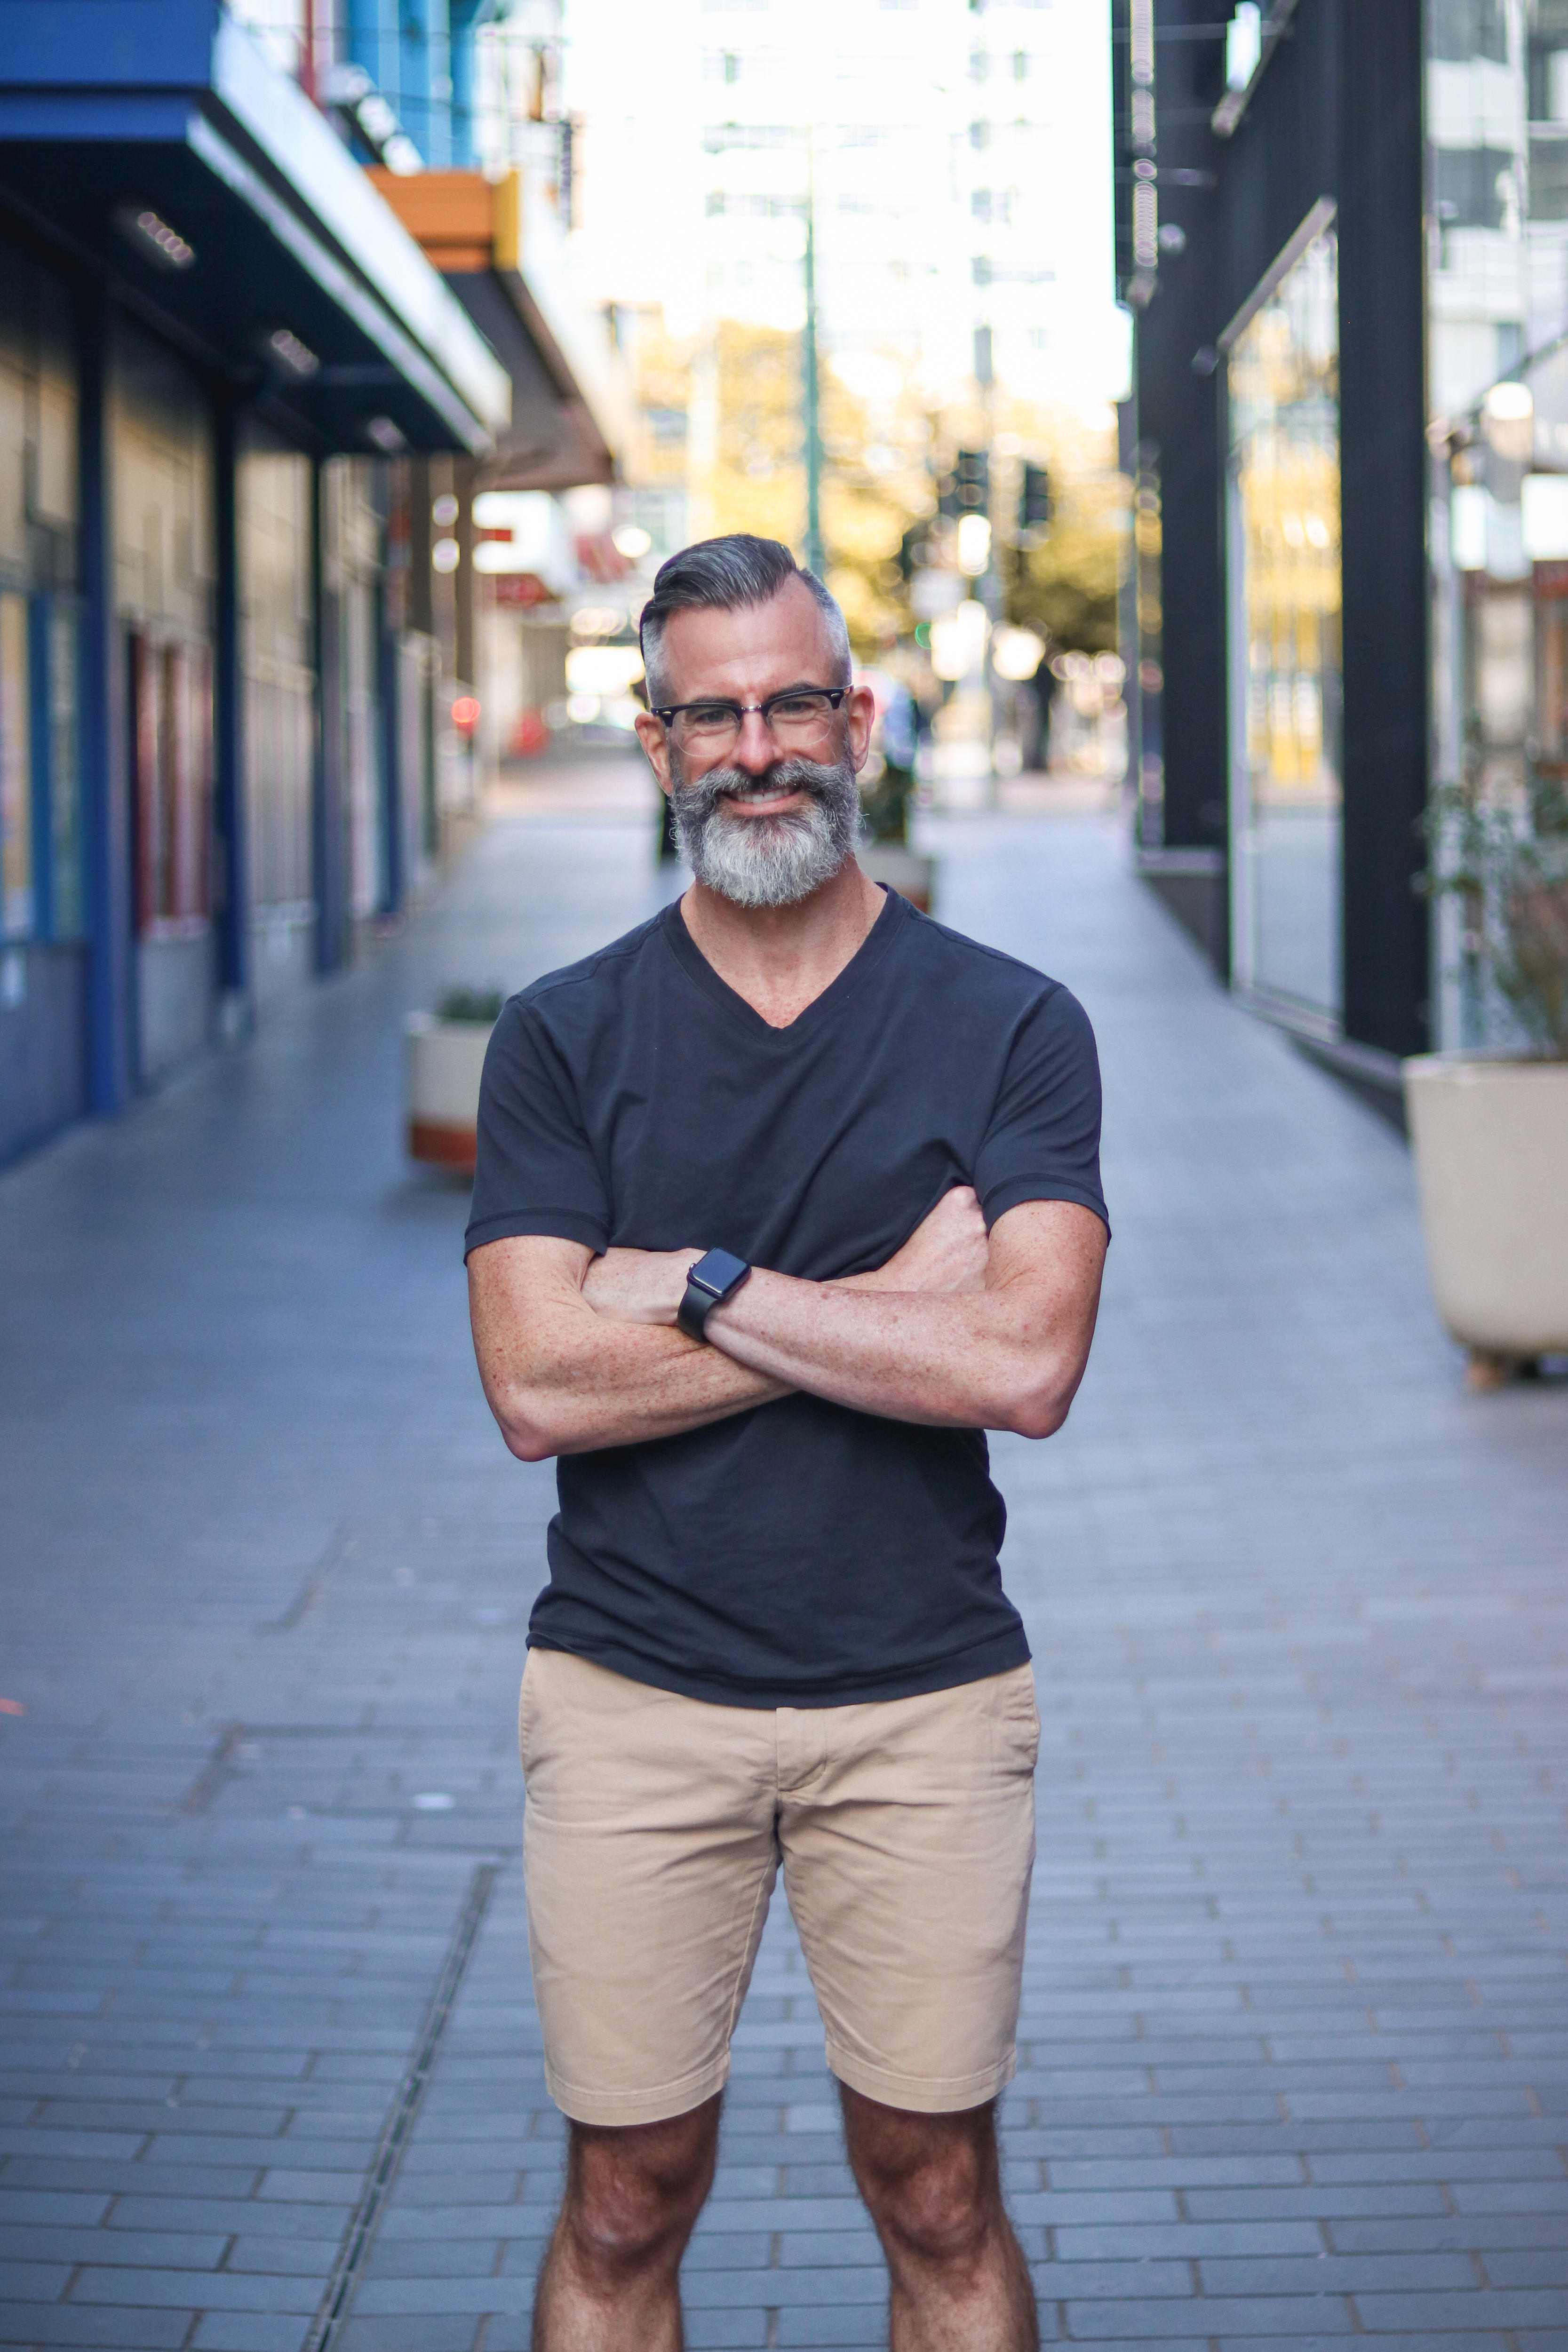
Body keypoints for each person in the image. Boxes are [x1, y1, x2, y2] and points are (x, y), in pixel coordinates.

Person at [466, 533, 1109, 2352]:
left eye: (795, 702)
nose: (761, 748)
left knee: (938, 2188)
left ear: (863, 719)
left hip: (919, 1695)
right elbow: (533, 1389)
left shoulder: (1010, 1025)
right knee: (624, 2196)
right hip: (631, 1692)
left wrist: (695, 1287)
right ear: (658, 743)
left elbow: (1032, 1362)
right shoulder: (563, 1037)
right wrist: (888, 1311)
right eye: (714, 714)